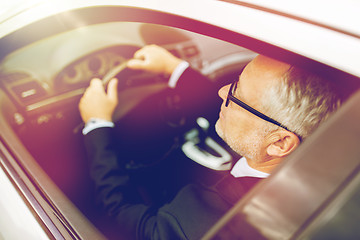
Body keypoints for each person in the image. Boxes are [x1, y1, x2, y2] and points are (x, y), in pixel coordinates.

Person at [79, 45, 342, 239]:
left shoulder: (203, 221)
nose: (222, 91)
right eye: (235, 81)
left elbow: (119, 211)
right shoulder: (337, 165)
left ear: (280, 143)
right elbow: (244, 116)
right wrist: (174, 68)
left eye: (236, 92)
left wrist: (97, 123)